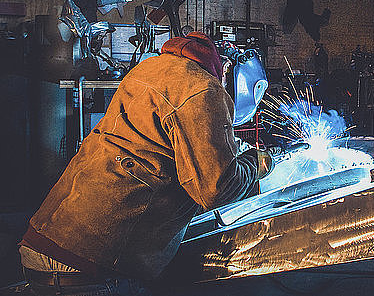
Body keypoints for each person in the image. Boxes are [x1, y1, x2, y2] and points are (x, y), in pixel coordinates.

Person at [19, 32, 272, 295]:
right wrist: (256, 163)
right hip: (91, 264)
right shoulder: (203, 88)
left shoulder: (149, 69)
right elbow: (218, 188)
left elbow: (157, 148)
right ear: (225, 71)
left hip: (44, 239)